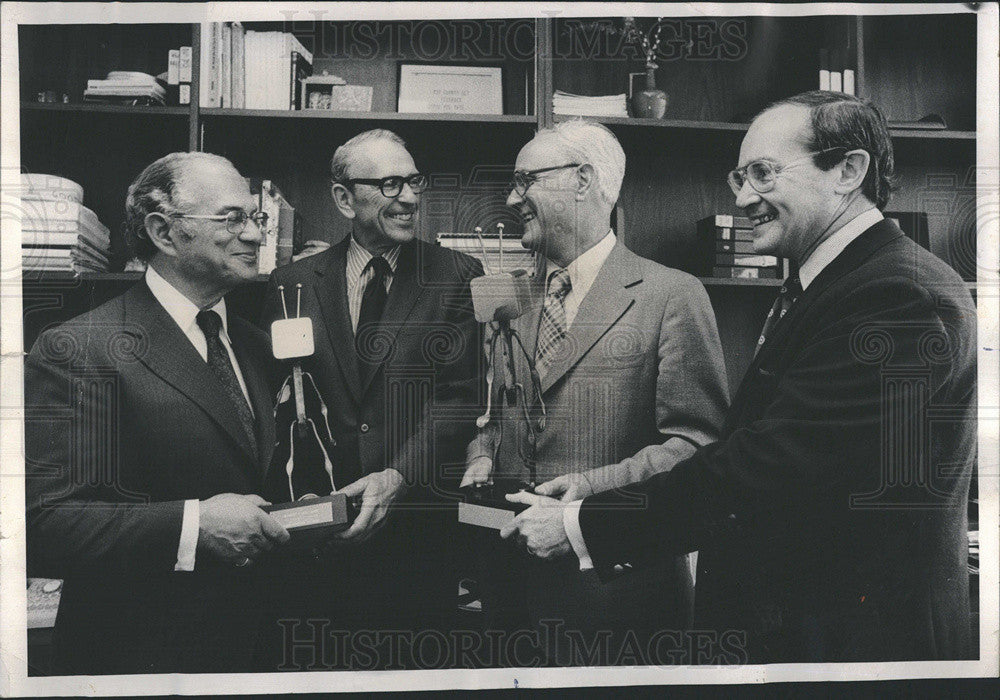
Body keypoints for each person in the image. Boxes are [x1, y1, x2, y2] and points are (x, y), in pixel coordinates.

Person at [503, 92, 977, 663]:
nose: (744, 197)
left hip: (853, 644)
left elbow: (771, 465)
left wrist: (585, 523)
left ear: (849, 171)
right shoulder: (839, 284)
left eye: (763, 174)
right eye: (739, 177)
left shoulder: (896, 295)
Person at [461, 119, 729, 666]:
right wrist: (481, 453)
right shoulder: (512, 295)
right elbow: (494, 413)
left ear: (582, 180)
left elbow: (695, 446)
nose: (513, 198)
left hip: (616, 603)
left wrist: (587, 487)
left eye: (524, 180)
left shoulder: (673, 295)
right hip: (509, 600)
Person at [24, 152, 290, 674]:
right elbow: (42, 526)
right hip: (139, 658)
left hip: (257, 651)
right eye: (231, 218)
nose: (256, 236)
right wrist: (194, 524)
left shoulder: (258, 347)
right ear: (164, 232)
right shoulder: (79, 348)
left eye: (255, 218)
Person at [258, 129, 483, 669]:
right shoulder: (291, 283)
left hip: (419, 537)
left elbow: (460, 396)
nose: (408, 197)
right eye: (388, 184)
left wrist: (397, 476)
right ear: (343, 199)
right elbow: (280, 403)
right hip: (320, 536)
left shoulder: (456, 275)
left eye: (412, 181)